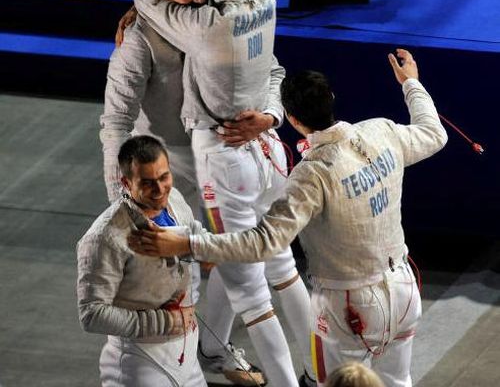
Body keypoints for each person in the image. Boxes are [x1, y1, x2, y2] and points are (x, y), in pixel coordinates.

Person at [128, 49, 449, 387]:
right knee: (398, 381)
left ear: (293, 120)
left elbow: (261, 243)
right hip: (403, 288)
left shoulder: (312, 176)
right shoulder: (381, 131)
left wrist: (187, 243)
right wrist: (411, 82)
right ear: (332, 98)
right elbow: (434, 133)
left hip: (348, 306)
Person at [133, 0, 314, 387]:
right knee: (282, 267)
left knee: (248, 288)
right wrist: (272, 117)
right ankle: (321, 372)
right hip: (267, 147)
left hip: (222, 156)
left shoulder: (204, 23)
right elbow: (276, 67)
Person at [100, 0, 268, 386]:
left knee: (242, 253)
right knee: (179, 279)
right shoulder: (137, 40)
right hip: (168, 174)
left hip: (225, 157)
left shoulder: (218, 13)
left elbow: (271, 67)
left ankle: (212, 349)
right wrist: (119, 196)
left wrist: (270, 114)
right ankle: (181, 367)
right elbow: (115, 121)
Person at [77, 135, 208, 387]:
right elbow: (91, 314)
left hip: (187, 353)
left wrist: (205, 248)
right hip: (141, 362)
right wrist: (166, 322)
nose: (159, 190)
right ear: (126, 183)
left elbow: (192, 239)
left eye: (164, 177)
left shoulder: (176, 201)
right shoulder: (104, 238)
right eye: (147, 183)